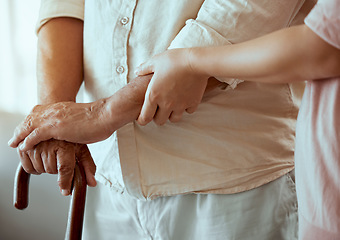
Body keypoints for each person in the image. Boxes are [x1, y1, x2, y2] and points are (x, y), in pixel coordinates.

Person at [8, 0, 312, 239]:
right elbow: (63, 5)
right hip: (107, 182)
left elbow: (245, 9)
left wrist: (104, 114)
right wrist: (55, 115)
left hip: (232, 188)